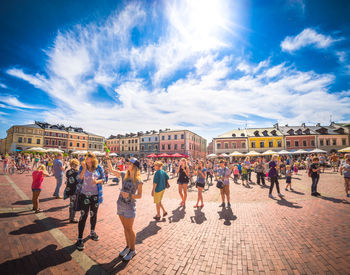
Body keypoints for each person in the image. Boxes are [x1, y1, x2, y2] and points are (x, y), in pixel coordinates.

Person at [106, 154, 143, 261]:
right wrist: (108, 159)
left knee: (129, 229)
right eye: (127, 163)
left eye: (130, 163)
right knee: (125, 228)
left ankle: (133, 250)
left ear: (135, 166)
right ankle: (127, 247)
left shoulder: (138, 180)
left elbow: (140, 196)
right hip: (120, 204)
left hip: (129, 207)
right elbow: (111, 170)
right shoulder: (124, 175)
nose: (127, 164)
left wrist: (130, 195)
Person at [75, 153, 105, 251]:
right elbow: (78, 179)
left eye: (89, 156)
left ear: (93, 159)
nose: (86, 157)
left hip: (95, 196)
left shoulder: (99, 168)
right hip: (84, 195)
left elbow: (104, 178)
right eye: (86, 156)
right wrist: (83, 168)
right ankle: (80, 238)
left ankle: (92, 232)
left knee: (94, 214)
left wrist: (97, 181)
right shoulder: (82, 167)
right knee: (83, 216)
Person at [64, 159, 80, 223]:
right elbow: (79, 181)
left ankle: (70, 216)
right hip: (75, 190)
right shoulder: (77, 172)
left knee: (71, 203)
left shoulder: (68, 172)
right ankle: (72, 218)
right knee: (74, 204)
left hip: (69, 189)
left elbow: (67, 180)